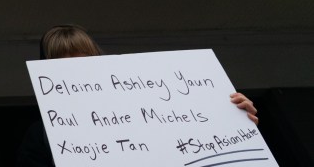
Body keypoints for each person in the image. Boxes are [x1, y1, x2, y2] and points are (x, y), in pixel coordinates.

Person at [15, 24, 259, 167]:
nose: (76, 75)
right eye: (62, 67)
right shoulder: (42, 135)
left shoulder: (152, 107)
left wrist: (236, 123)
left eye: (84, 63)